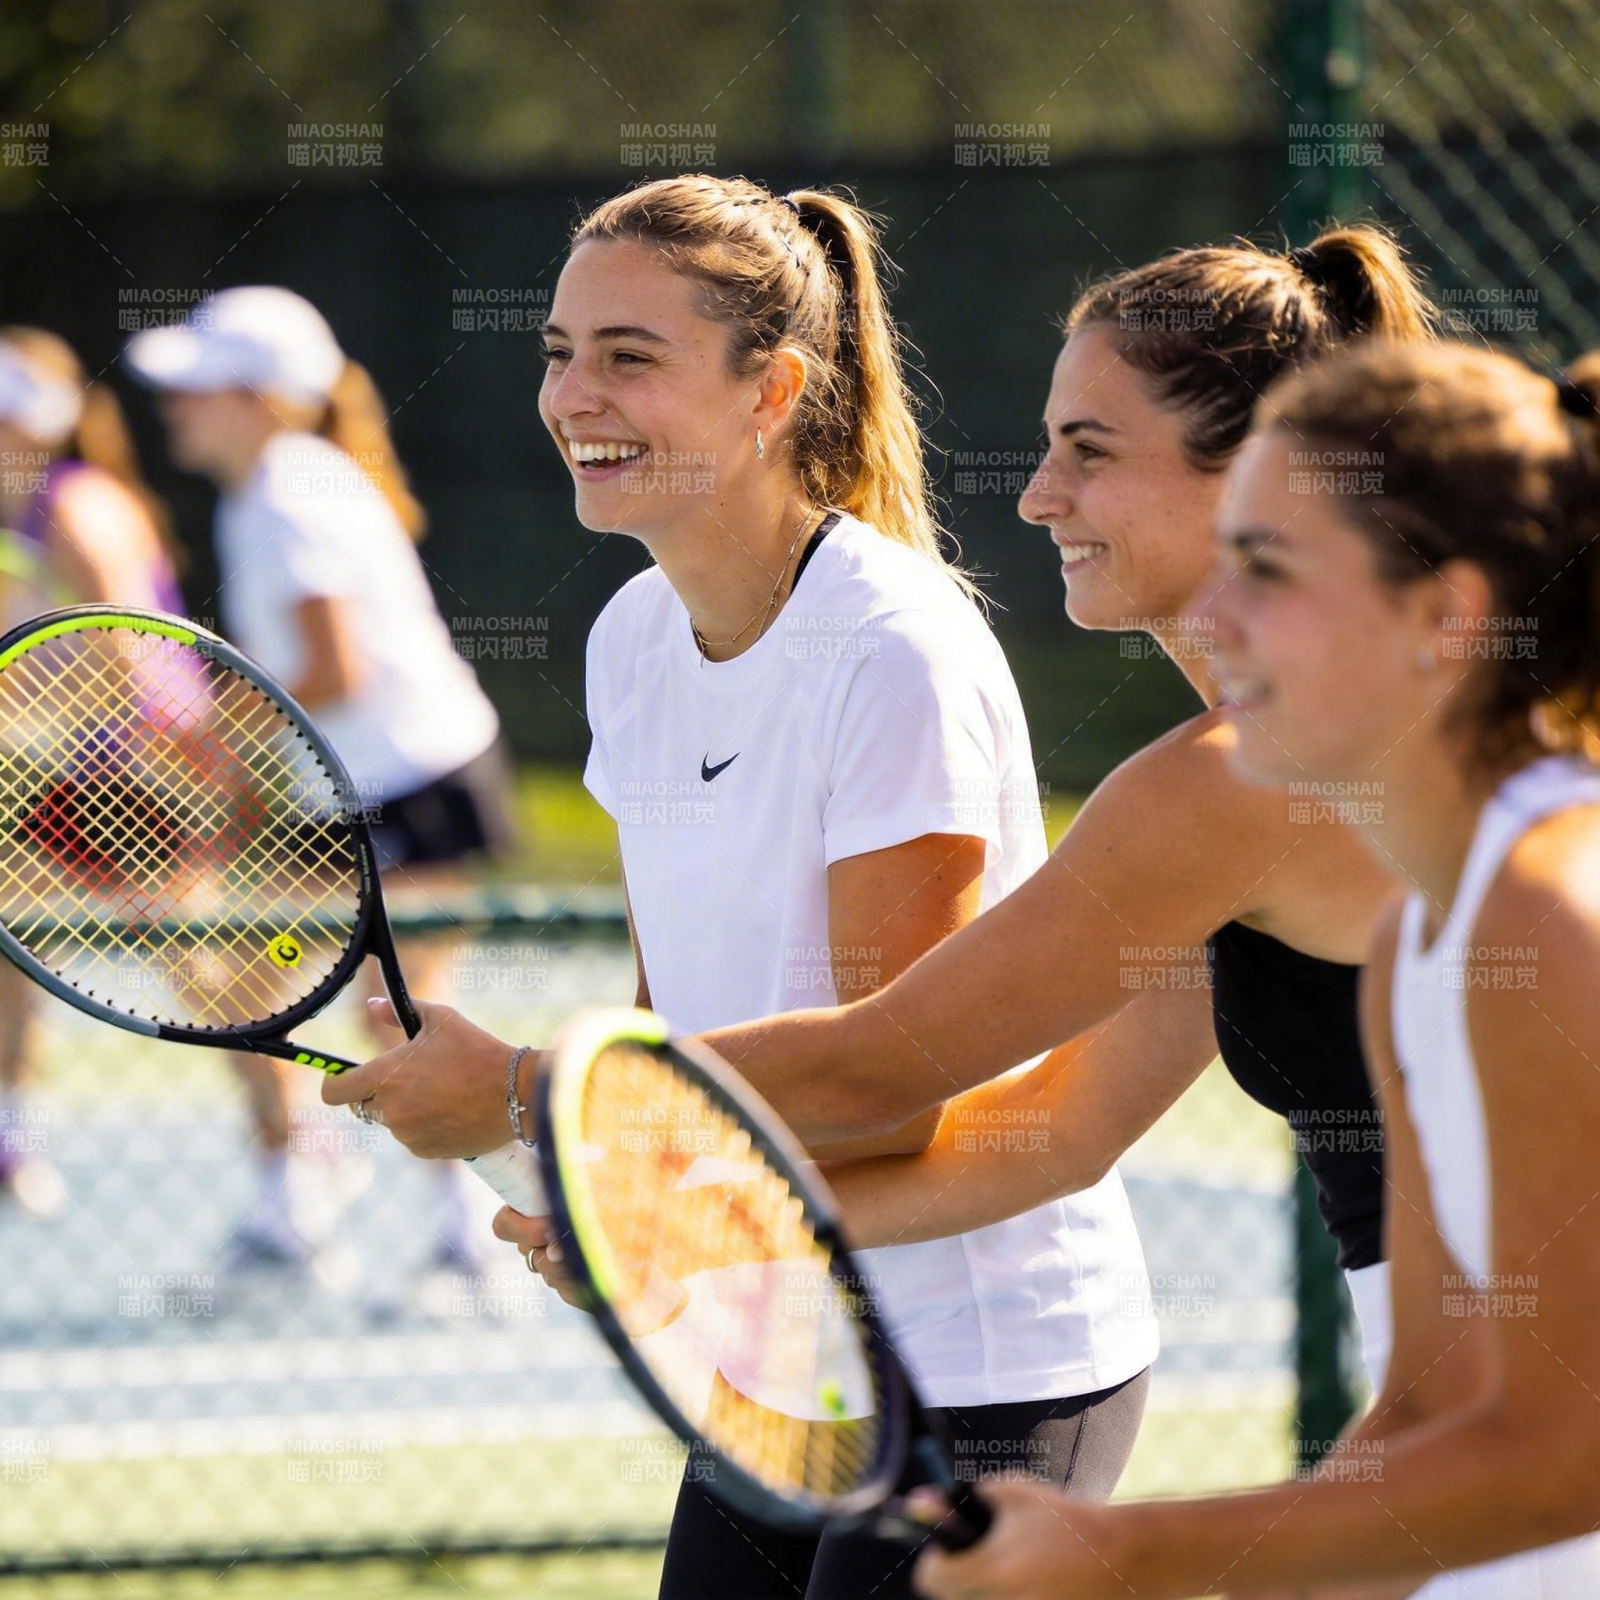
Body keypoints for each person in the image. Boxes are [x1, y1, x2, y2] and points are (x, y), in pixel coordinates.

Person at [332, 225, 1436, 1398]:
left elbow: (884, 1063)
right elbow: (1056, 1129)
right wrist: (694, 1225)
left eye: (1090, 452)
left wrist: (524, 1087)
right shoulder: (1289, 751)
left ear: (1260, 475)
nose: (1034, 496)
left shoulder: (1238, 775)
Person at [353, 172, 1159, 1600]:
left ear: (771, 388)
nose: (571, 396)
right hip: (773, 1349)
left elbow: (896, 1085)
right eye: (558, 351)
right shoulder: (632, 642)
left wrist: (544, 1108)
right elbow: (682, 1033)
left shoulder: (893, 652)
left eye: (628, 357)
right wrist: (624, 1187)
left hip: (979, 1373)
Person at [913, 339, 1600, 1597]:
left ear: (1443, 616)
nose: (1215, 619)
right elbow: (1424, 1407)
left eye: (1267, 570)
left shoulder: (1555, 921)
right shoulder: (1417, 941)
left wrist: (1122, 1555)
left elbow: (1566, 1459)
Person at [124, 287, 516, 1276]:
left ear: (261, 396)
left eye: (199, 388)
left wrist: (211, 726)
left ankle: (472, 1234)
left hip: (416, 785)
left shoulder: (292, 490)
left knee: (398, 1008)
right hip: (338, 795)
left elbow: (335, 673)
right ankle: (296, 1196)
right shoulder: (265, 490)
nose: (175, 407)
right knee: (247, 985)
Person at [0, 326, 184, 1218]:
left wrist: (36, 717)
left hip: (142, 777)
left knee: (219, 977)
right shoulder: (22, 511)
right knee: (8, 943)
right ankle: (12, 1138)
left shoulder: (76, 503)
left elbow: (128, 654)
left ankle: (299, 1167)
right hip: (70, 775)